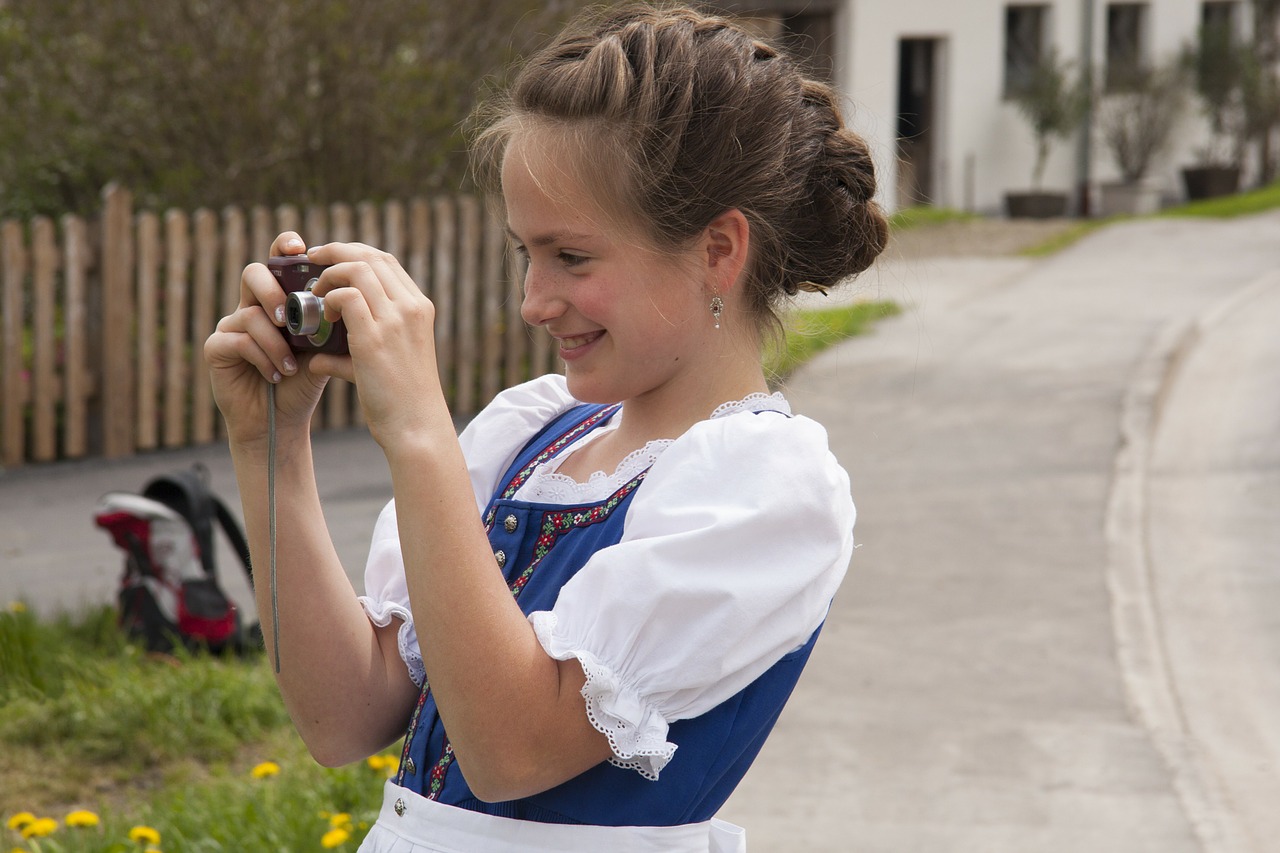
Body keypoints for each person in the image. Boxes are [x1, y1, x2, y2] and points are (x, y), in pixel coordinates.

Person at [205, 4, 887, 851]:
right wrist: (270, 447)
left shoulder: (768, 485)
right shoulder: (534, 436)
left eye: (572, 256)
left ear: (719, 250)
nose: (533, 300)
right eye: (524, 253)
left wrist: (418, 432)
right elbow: (343, 718)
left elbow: (508, 749)